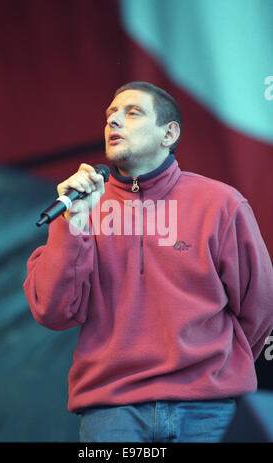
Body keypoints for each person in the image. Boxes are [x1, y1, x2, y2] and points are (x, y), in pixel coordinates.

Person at [23, 81, 273, 443]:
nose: (114, 122)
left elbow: (260, 307)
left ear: (169, 133)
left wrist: (214, 369)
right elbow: (52, 310)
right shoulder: (84, 205)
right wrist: (74, 223)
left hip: (208, 408)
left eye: (132, 113)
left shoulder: (220, 203)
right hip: (112, 412)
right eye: (110, 116)